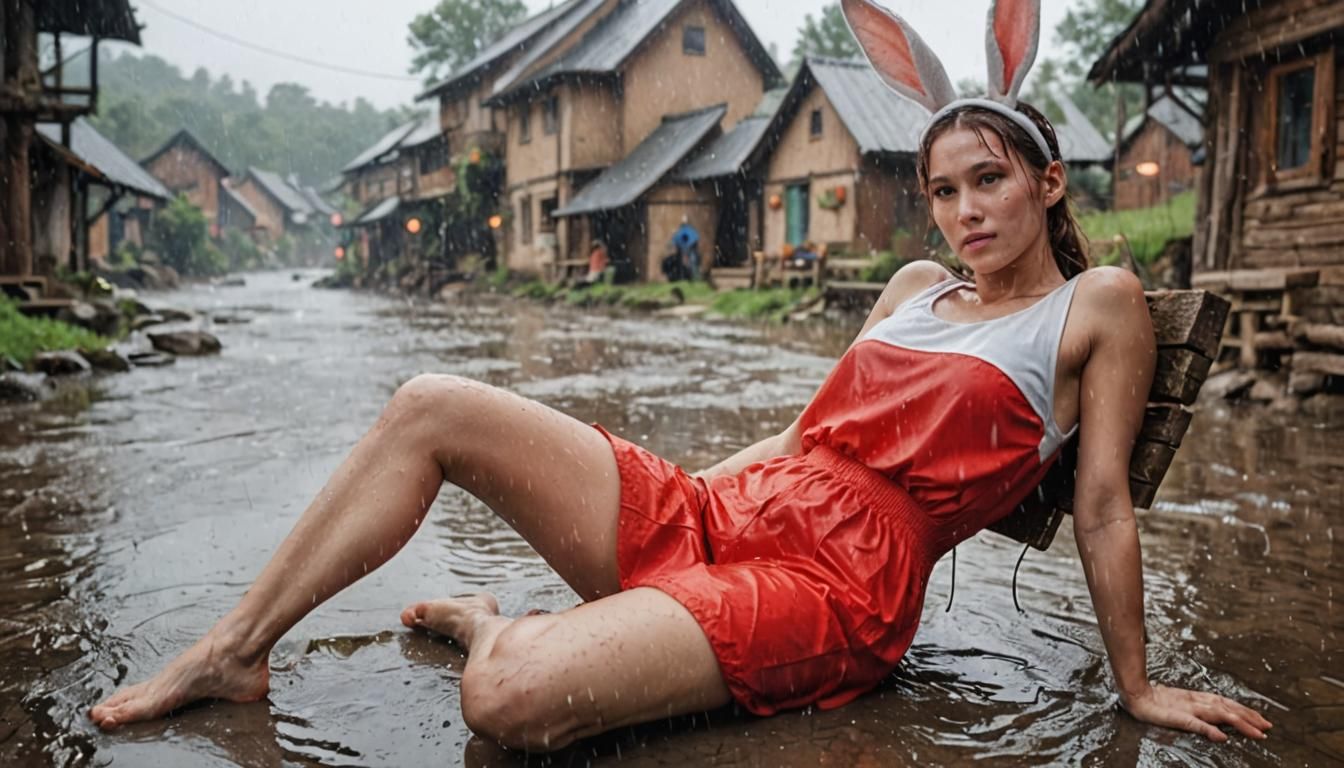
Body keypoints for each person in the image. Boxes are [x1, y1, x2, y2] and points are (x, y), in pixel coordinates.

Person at [90, 0, 1270, 752]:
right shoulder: (914, 287)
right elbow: (807, 439)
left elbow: (1103, 501)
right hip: (742, 506)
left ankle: (497, 625)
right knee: (430, 405)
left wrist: (1140, 687)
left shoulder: (1095, 306)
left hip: (840, 585)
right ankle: (230, 649)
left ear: (1049, 182)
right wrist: (673, 510)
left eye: (990, 181)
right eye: (945, 188)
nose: (964, 211)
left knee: (507, 708)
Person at [672, 217, 701, 281]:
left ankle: (693, 277)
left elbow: (694, 238)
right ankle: (686, 277)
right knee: (687, 263)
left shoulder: (687, 230)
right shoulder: (682, 231)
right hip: (685, 249)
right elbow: (676, 240)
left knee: (692, 262)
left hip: (689, 249)